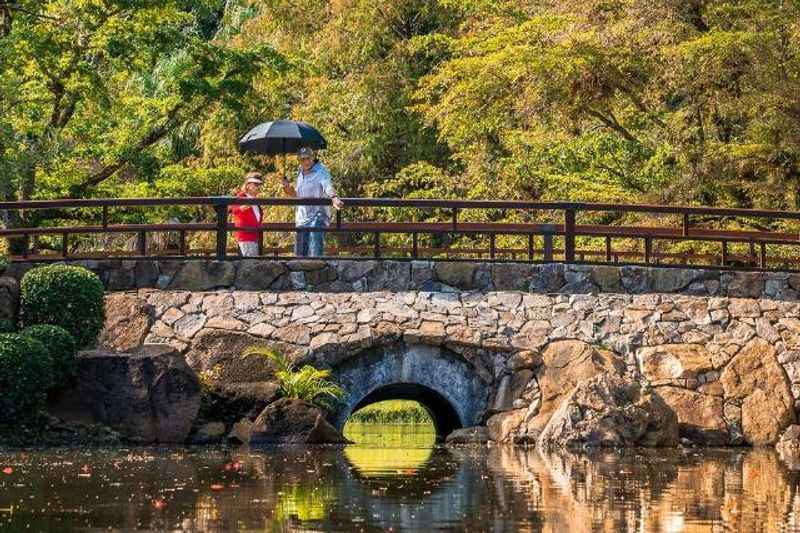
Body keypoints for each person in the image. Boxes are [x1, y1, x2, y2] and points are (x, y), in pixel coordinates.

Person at [281, 147, 343, 257]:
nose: (306, 161)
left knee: (315, 245)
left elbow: (327, 186)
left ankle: (317, 271)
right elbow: (297, 195)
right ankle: (300, 273)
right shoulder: (300, 171)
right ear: (299, 160)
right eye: (302, 159)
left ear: (313, 157)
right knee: (300, 252)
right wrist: (287, 188)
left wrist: (334, 197)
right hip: (302, 217)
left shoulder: (321, 170)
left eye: (308, 158)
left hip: (318, 215)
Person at [230, 172, 263, 257]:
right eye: (256, 184)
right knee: (249, 265)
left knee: (253, 264)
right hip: (245, 237)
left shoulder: (255, 200)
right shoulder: (241, 197)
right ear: (248, 185)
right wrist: (242, 208)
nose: (258, 187)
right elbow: (233, 210)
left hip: (254, 237)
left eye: (260, 184)